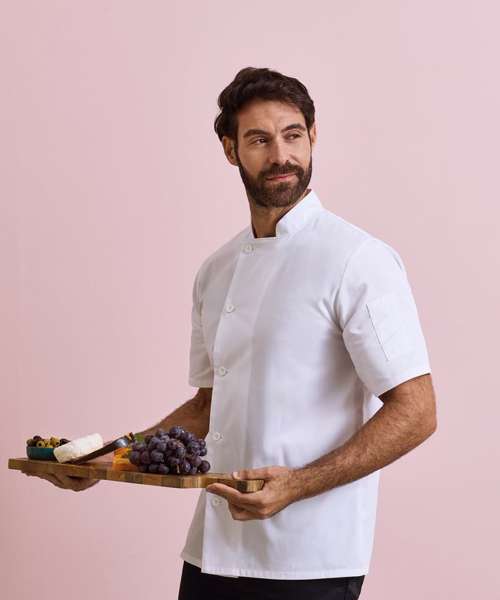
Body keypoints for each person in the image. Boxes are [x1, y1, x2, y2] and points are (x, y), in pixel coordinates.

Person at [26, 67, 437, 600]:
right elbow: (207, 407)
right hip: (212, 554)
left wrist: (298, 485)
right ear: (230, 150)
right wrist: (110, 459)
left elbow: (417, 410)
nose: (281, 156)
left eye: (292, 135)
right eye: (259, 140)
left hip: (309, 560)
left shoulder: (358, 260)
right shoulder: (216, 271)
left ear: (313, 136)